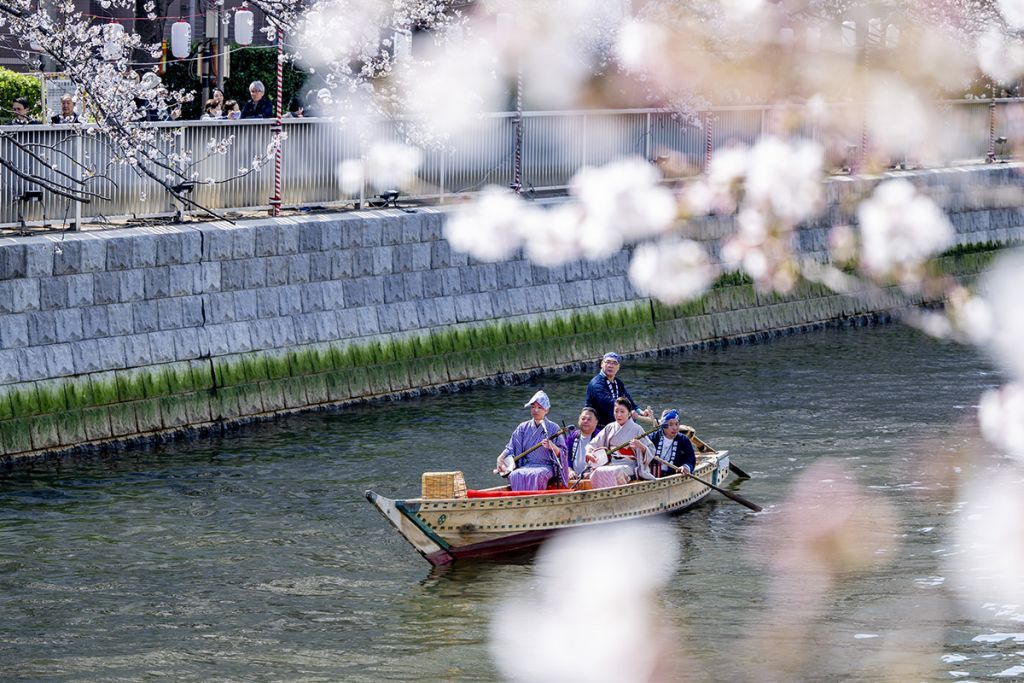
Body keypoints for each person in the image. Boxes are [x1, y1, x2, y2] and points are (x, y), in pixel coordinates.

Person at [495, 390, 569, 492]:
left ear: (546, 410)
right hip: (528, 465)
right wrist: (501, 458)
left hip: (546, 466)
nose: (535, 410)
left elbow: (563, 453)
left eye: (539, 407)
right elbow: (511, 447)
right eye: (533, 407)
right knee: (515, 474)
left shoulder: (553, 428)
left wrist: (552, 447)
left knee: (537, 475)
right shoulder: (523, 427)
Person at [585, 397, 655, 489]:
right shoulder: (610, 427)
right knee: (597, 471)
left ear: (629, 413)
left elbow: (651, 449)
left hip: (629, 465)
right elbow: (592, 444)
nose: (618, 415)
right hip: (612, 462)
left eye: (622, 411)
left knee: (617, 471)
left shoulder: (637, 429)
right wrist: (589, 452)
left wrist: (641, 446)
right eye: (616, 411)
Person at [584, 352, 653, 429]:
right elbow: (609, 404)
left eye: (614, 363)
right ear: (601, 364)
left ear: (618, 367)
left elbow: (628, 400)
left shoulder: (618, 383)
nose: (610, 365)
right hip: (597, 428)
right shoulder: (596, 384)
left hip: (615, 426)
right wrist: (629, 412)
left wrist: (642, 412)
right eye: (608, 362)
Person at [649, 409, 696, 477]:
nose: (675, 428)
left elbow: (690, 459)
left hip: (673, 475)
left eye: (677, 424)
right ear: (663, 426)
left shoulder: (683, 440)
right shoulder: (653, 437)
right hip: (652, 475)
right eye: (671, 424)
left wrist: (686, 467)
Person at [564, 406, 599, 477]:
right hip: (574, 477)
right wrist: (570, 470)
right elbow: (566, 457)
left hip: (594, 476)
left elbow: (605, 460)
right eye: (583, 419)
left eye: (589, 419)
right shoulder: (572, 436)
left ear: (596, 422)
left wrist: (592, 472)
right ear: (578, 420)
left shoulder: (600, 436)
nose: (585, 421)